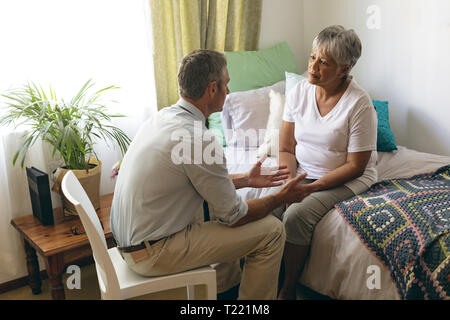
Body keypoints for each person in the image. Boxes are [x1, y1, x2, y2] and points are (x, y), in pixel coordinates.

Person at [110, 49, 312, 300]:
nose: (229, 91)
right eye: (226, 83)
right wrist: (281, 197)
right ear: (212, 89)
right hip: (152, 254)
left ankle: (226, 292)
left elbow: (197, 185)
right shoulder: (199, 139)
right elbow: (235, 217)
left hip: (130, 243)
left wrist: (246, 180)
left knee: (213, 211)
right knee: (271, 231)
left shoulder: (162, 118)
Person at [276, 25, 378, 299]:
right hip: (303, 174)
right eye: (312, 57)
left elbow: (356, 165)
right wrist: (291, 183)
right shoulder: (299, 92)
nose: (312, 67)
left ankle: (288, 289)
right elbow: (286, 147)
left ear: (344, 69)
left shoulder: (359, 104)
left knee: (296, 217)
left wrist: (311, 188)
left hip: (348, 177)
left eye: (323, 62)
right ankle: (262, 280)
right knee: (270, 208)